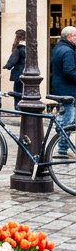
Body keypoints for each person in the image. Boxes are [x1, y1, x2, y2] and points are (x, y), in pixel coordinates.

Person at [50, 26, 76, 156]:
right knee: (69, 120)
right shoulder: (68, 51)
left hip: (60, 89)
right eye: (75, 35)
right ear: (70, 36)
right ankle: (63, 148)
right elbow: (69, 71)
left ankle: (63, 145)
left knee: (65, 118)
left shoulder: (58, 48)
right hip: (68, 91)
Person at [4, 29, 26, 107]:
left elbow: (13, 60)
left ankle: (17, 108)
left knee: (17, 93)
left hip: (19, 74)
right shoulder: (27, 47)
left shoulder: (19, 48)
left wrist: (7, 66)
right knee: (24, 93)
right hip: (26, 73)